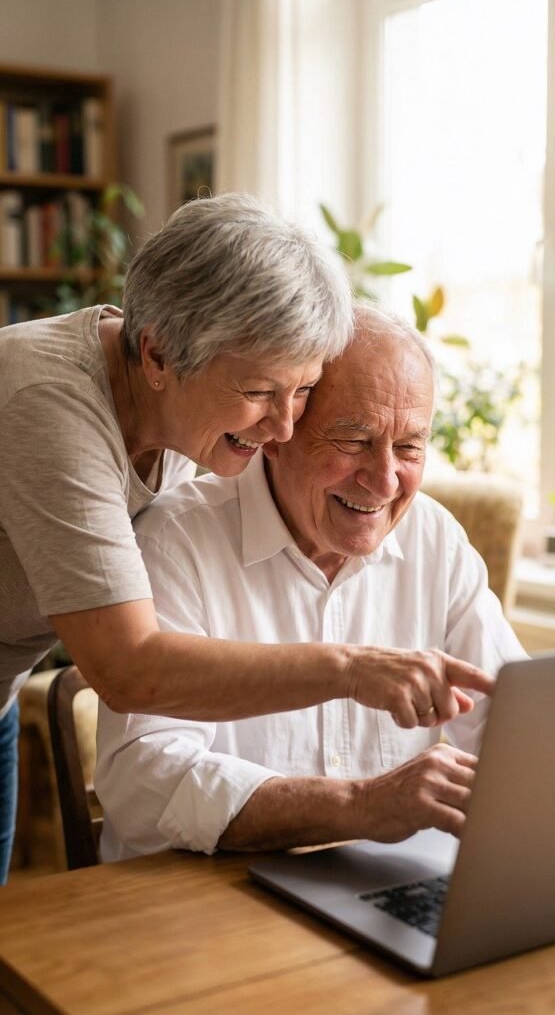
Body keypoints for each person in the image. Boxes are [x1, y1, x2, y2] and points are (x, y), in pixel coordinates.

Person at [0, 194, 489, 883]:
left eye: (302, 391)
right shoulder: (49, 407)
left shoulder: (180, 411)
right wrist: (351, 671)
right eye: (261, 392)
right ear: (158, 355)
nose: (283, 427)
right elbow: (128, 670)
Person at [96, 305, 526, 861]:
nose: (385, 481)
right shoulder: (175, 540)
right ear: (276, 431)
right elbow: (143, 782)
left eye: (409, 446)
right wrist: (358, 805)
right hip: (206, 892)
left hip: (377, 885)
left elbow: (514, 723)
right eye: (354, 441)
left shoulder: (434, 538)